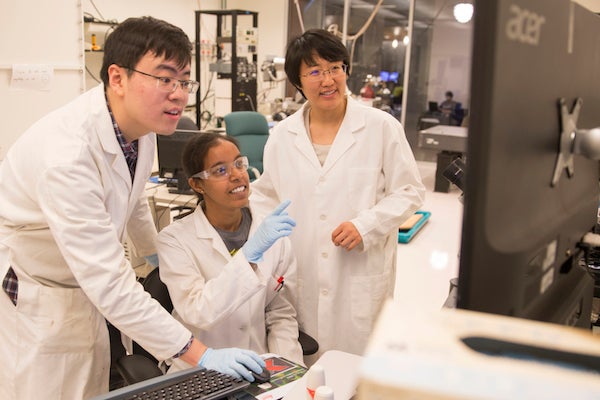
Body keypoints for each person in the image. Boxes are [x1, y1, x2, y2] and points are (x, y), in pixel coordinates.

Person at [0, 17, 264, 400]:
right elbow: (110, 283)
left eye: (184, 81)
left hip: (82, 290)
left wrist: (160, 256)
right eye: (164, 78)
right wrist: (201, 354)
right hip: (42, 291)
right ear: (118, 78)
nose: (178, 94)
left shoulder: (136, 129)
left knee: (90, 385)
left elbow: (134, 197)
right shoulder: (68, 157)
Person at [250, 28, 426, 363]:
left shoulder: (380, 126)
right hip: (302, 274)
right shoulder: (283, 137)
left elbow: (410, 191)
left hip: (358, 272)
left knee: (357, 371)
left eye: (335, 68)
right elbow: (265, 198)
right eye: (314, 72)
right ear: (298, 82)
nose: (328, 80)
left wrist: (367, 224)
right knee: (308, 371)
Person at [157, 132, 304, 373]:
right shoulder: (175, 241)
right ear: (197, 184)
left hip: (258, 364)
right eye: (220, 171)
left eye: (238, 164)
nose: (237, 175)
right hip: (200, 369)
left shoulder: (271, 230)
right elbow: (198, 311)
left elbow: (280, 312)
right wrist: (248, 256)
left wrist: (288, 370)